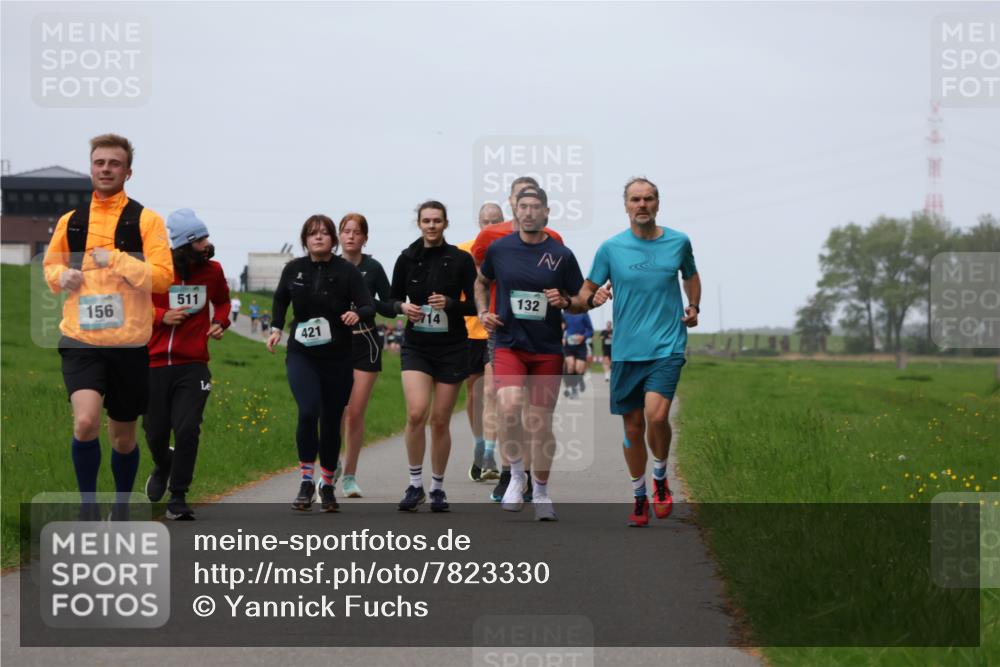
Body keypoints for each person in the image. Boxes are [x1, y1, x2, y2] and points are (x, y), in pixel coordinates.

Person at [42, 134, 173, 519]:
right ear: (90, 168)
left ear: (128, 172)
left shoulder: (147, 220)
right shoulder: (71, 221)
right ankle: (88, 506)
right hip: (80, 339)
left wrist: (116, 260)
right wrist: (61, 276)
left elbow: (163, 278)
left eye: (114, 163)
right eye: (99, 162)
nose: (106, 169)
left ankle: (121, 504)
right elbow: (51, 266)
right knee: (85, 422)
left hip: (128, 345)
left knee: (122, 438)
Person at [577, 177, 701, 527]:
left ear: (657, 203)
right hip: (626, 351)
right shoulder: (611, 248)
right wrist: (593, 298)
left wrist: (694, 306)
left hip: (667, 346)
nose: (642, 205)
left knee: (656, 417)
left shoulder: (678, 242)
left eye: (648, 199)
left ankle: (660, 477)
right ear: (626, 206)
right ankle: (639, 495)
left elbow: (691, 276)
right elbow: (584, 292)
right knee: (632, 428)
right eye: (635, 199)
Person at [476, 187, 587, 522]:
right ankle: (516, 474)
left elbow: (579, 299)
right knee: (508, 406)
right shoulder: (500, 249)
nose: (528, 212)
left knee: (540, 424)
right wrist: (483, 312)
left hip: (547, 349)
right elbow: (481, 282)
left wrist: (565, 302)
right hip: (509, 343)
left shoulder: (561, 254)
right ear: (516, 210)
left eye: (535, 207)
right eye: (522, 206)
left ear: (546, 212)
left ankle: (540, 490)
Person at [268, 215, 374, 513]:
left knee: (330, 420)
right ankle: (305, 481)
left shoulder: (347, 271)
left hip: (338, 357)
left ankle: (326, 484)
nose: (318, 238)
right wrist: (276, 328)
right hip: (302, 354)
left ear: (333, 239)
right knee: (308, 411)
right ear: (305, 239)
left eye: (324, 233)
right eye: (312, 233)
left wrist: (357, 314)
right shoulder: (294, 269)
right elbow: (280, 299)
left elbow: (367, 305)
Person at [390, 200, 477, 512]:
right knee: (416, 413)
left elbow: (476, 304)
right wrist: (403, 307)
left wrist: (451, 304)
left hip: (452, 347)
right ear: (419, 224)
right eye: (426, 221)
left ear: (445, 224)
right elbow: (390, 300)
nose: (431, 226)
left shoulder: (461, 260)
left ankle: (437, 487)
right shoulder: (406, 259)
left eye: (436, 221)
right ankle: (415, 485)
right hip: (417, 346)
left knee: (440, 420)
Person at [143, 209, 231, 520]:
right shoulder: (157, 271)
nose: (207, 244)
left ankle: (178, 496)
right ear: (183, 244)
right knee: (154, 433)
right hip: (153, 364)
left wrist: (221, 322)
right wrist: (161, 316)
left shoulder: (213, 271)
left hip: (193, 364)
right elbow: (135, 306)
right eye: (200, 239)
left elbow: (223, 301)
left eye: (206, 237)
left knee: (188, 428)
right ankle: (163, 464)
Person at [337, 212, 395, 498]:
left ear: (365, 238)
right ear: (339, 235)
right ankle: (332, 463)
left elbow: (388, 305)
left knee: (355, 412)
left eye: (356, 232)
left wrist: (367, 304)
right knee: (336, 410)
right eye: (346, 231)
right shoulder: (329, 266)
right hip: (334, 345)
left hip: (366, 343)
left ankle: (350, 476)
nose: (351, 236)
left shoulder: (373, 268)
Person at [459, 203, 504, 482]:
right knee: (474, 394)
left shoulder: (508, 251)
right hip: (467, 332)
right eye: (486, 221)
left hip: (495, 331)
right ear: (478, 223)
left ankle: (489, 454)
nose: (490, 226)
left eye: (495, 221)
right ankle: (479, 443)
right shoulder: (463, 252)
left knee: (491, 393)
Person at [562, 311, 594, 398]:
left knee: (578, 369)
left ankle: (579, 379)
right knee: (570, 366)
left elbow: (590, 330)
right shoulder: (564, 314)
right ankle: (572, 389)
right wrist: (562, 338)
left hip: (581, 346)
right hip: (568, 345)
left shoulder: (584, 314)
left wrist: (583, 336)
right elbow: (561, 328)